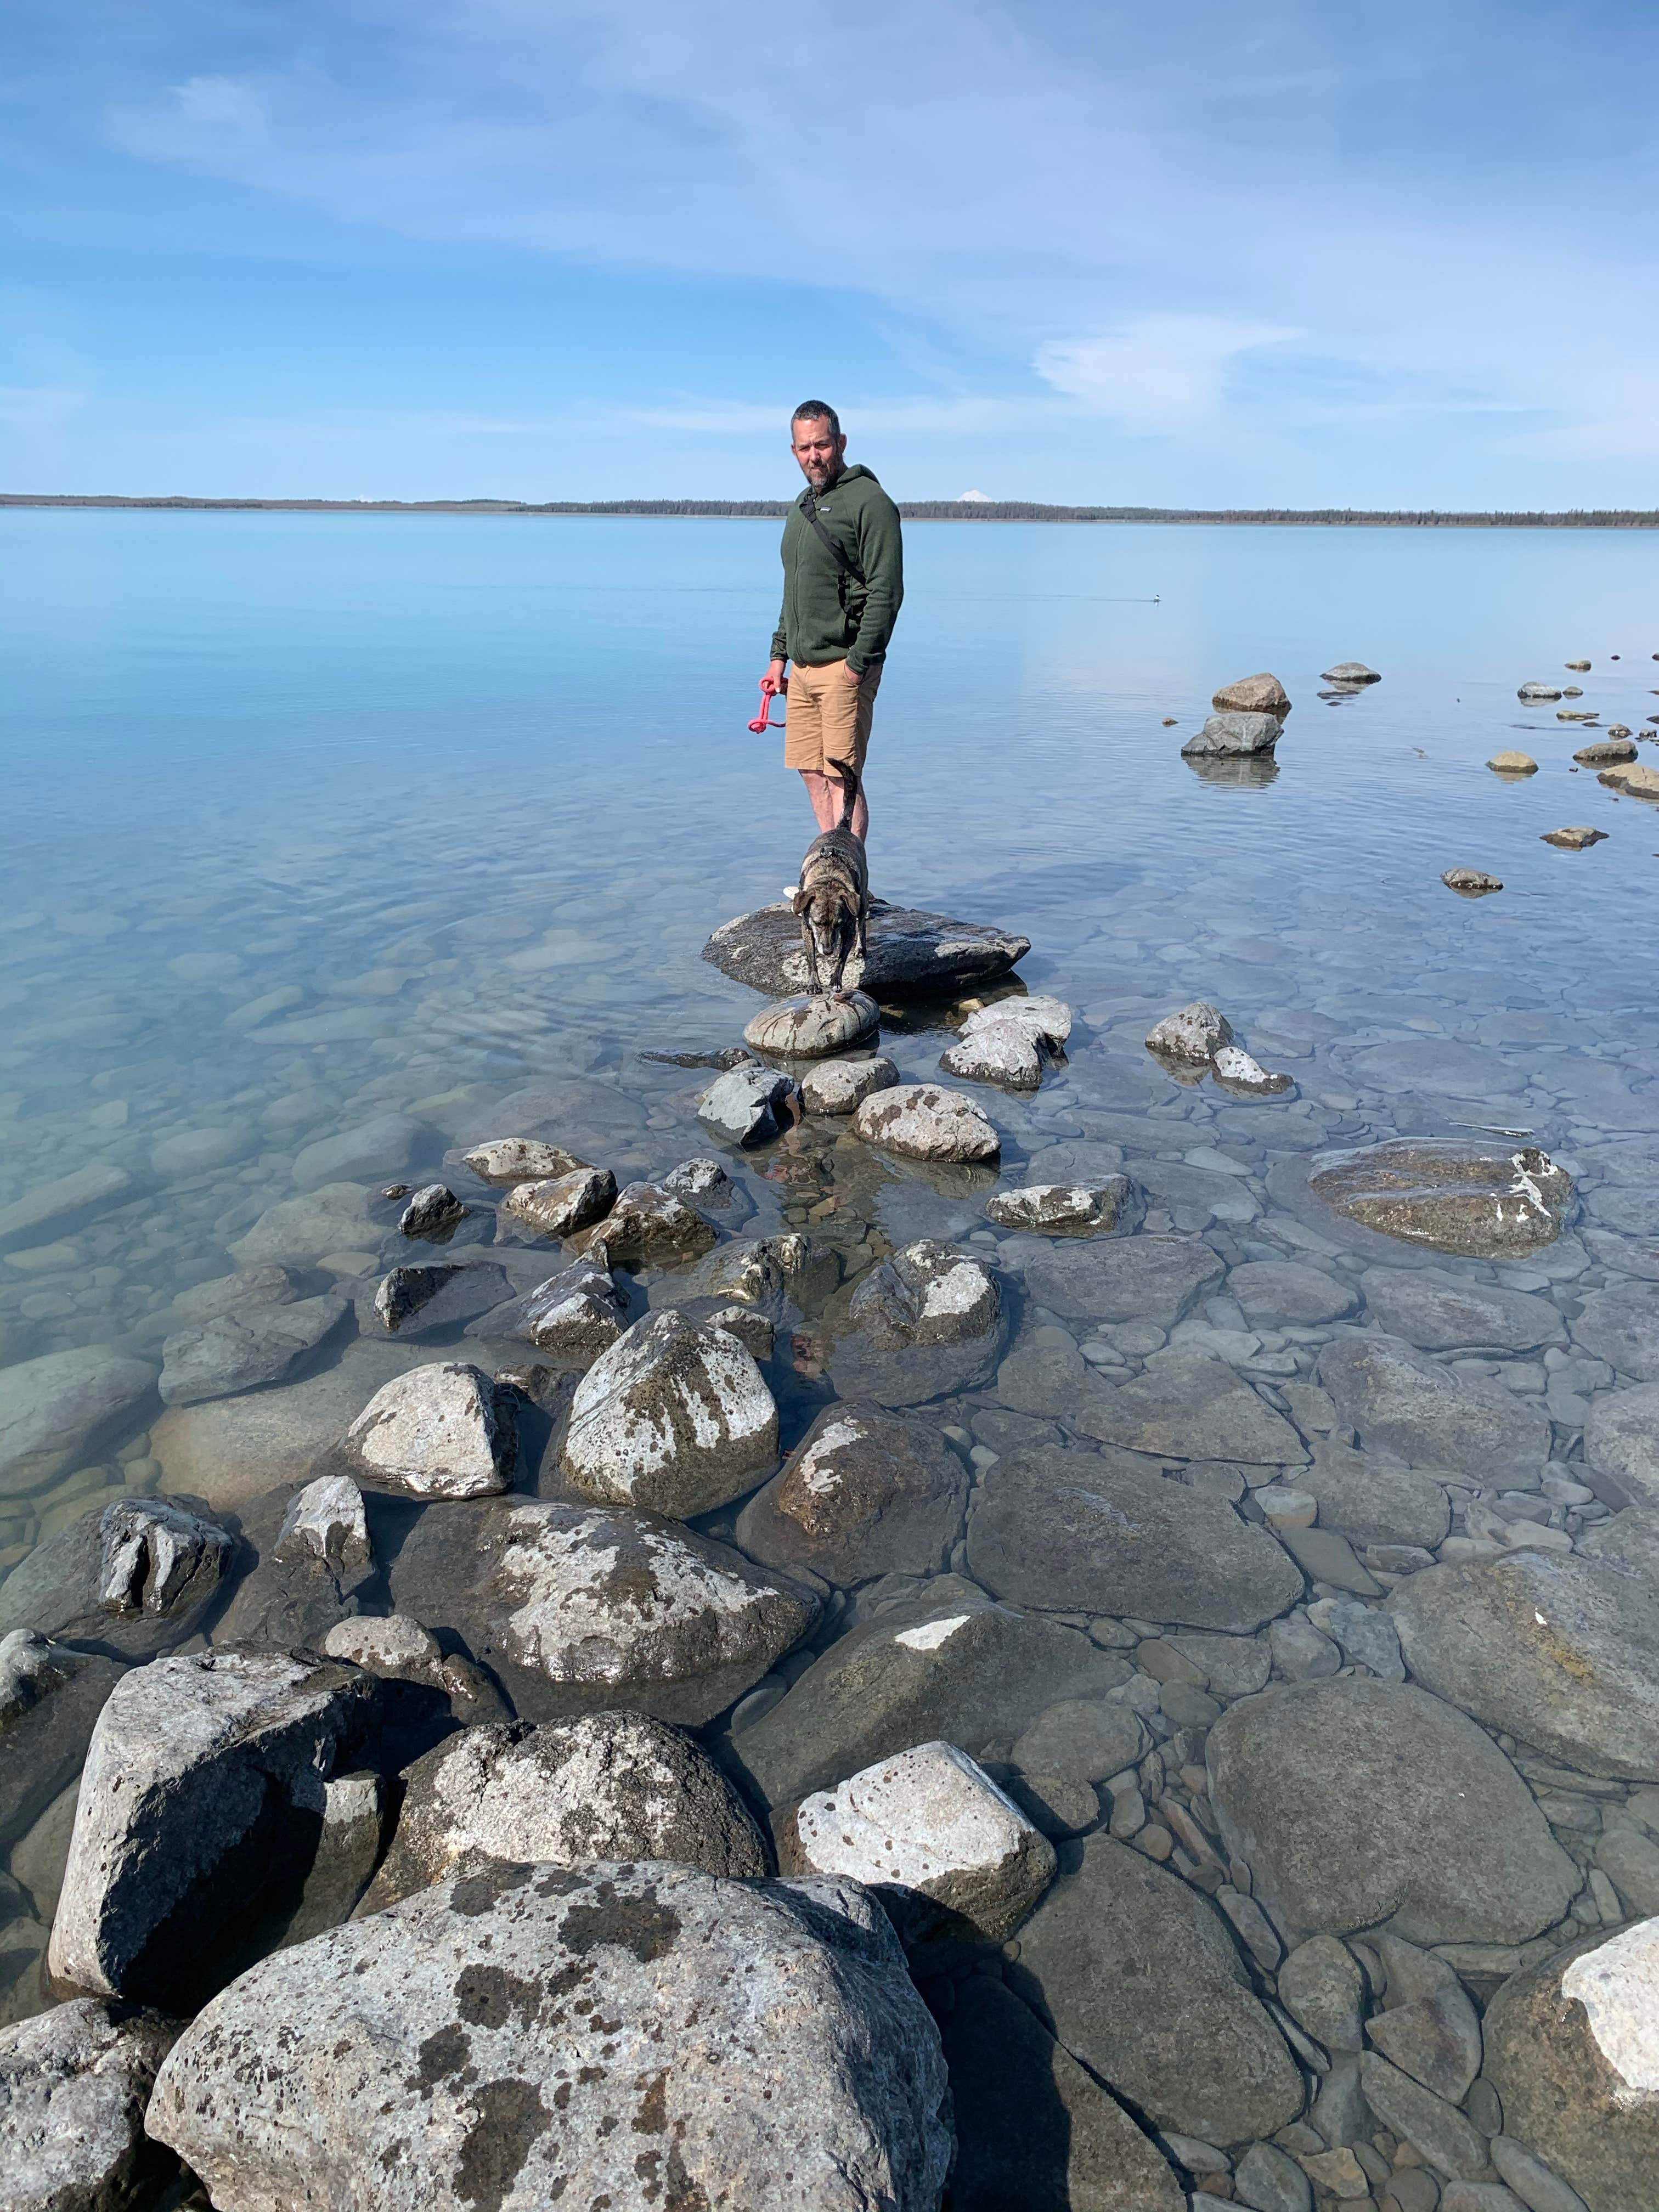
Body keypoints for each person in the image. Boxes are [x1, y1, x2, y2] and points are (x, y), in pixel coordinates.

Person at [760, 402, 903, 842]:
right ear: (793, 450)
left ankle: (851, 881)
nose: (814, 455)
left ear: (840, 443)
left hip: (845, 663)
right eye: (805, 448)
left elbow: (887, 592)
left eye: (822, 445)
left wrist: (858, 664)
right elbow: (795, 589)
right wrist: (779, 657)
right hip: (801, 669)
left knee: (843, 776)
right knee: (810, 769)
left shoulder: (870, 503)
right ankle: (828, 868)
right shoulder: (802, 506)